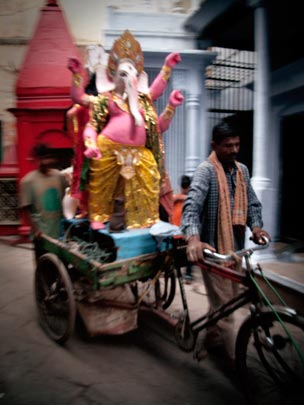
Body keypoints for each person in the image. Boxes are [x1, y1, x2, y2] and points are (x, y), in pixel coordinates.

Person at [67, 30, 184, 230]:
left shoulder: (143, 102)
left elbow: (158, 120)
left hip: (140, 152)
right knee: (101, 183)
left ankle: (145, 219)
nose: (129, 76)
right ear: (113, 76)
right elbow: (85, 112)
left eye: (132, 71)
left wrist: (168, 70)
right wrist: (77, 75)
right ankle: (98, 216)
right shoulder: (106, 99)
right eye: (123, 72)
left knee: (149, 179)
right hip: (108, 148)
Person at [181, 119, 271, 361]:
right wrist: (193, 240)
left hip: (236, 251)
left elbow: (252, 203)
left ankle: (211, 340)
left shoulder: (242, 170)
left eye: (237, 145)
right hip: (213, 252)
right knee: (228, 311)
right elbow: (190, 207)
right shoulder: (206, 171)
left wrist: (257, 227)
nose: (233, 150)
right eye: (227, 145)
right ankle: (236, 364)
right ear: (214, 145)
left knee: (224, 303)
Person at [19, 144, 68, 262]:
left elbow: (68, 196)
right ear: (36, 159)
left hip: (60, 231)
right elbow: (25, 208)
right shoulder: (28, 181)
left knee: (62, 264)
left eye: (47, 158)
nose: (45, 162)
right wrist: (35, 229)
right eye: (41, 159)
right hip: (42, 233)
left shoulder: (59, 176)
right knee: (44, 264)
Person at [172, 174, 193, 282]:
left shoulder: (191, 199)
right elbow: (171, 199)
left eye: (186, 187)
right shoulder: (177, 198)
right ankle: (177, 271)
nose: (185, 190)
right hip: (176, 231)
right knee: (176, 252)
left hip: (186, 231)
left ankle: (188, 273)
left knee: (189, 252)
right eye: (183, 187)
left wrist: (184, 197)